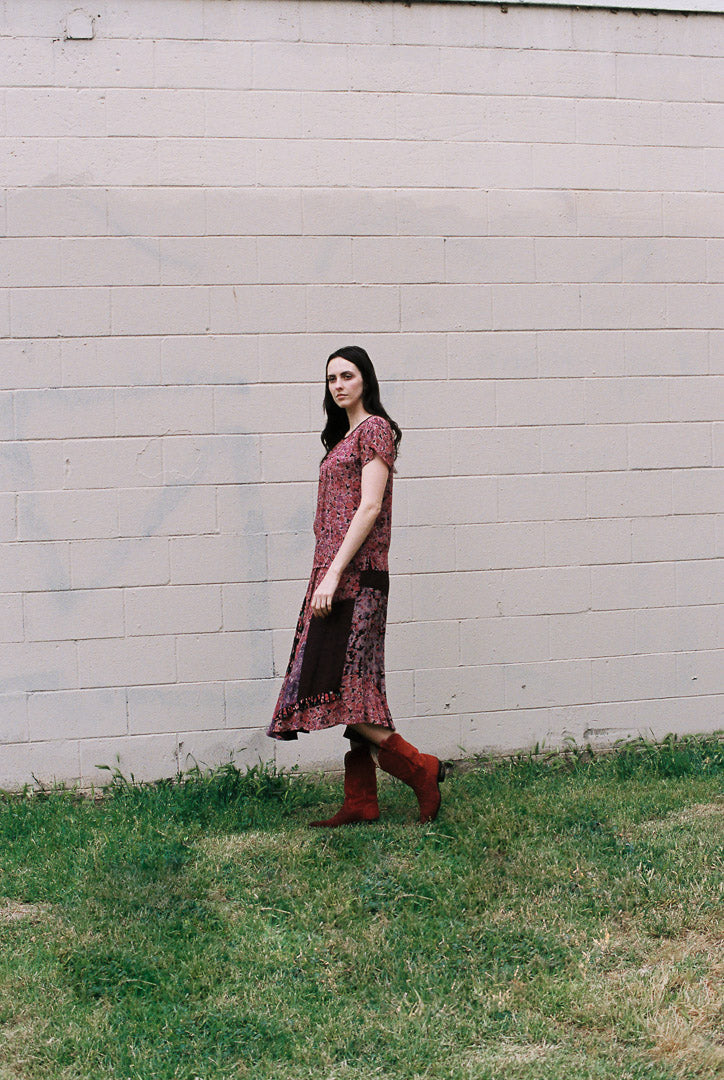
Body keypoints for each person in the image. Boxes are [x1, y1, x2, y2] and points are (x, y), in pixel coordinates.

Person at [267, 346, 445, 826]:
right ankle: (361, 801)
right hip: (334, 575)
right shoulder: (342, 438)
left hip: (356, 579)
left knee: (345, 684)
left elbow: (369, 507)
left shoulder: (375, 430)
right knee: (353, 684)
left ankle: (422, 770)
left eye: (347, 376)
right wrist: (324, 573)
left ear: (365, 379)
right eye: (331, 379)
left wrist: (333, 574)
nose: (339, 385)